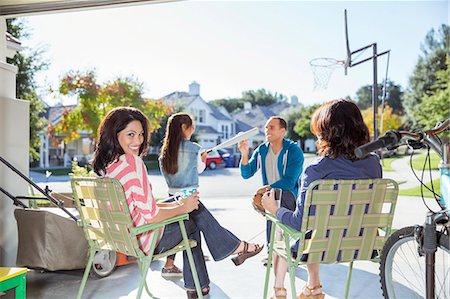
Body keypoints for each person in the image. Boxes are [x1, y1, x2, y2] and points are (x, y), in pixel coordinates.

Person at [92, 107, 263, 298]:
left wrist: (179, 205)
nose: (138, 141)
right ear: (114, 134)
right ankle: (225, 257)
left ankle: (203, 282)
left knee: (189, 209)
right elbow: (152, 216)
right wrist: (183, 207)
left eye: (140, 134)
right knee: (192, 220)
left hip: (121, 238)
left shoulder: (105, 167)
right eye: (130, 134)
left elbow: (141, 208)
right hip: (144, 240)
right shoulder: (132, 163)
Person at [261, 99, 382, 299]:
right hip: (363, 244)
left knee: (283, 229)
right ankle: (313, 287)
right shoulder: (373, 163)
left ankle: (279, 290)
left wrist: (274, 209)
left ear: (328, 133)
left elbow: (299, 223)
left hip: (320, 247)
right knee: (318, 225)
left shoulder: (316, 170)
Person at [238, 116, 304, 262]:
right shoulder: (262, 150)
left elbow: (289, 182)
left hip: (290, 196)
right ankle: (271, 252)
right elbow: (247, 173)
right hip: (271, 195)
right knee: (270, 202)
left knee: (276, 198)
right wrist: (244, 154)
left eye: (271, 127)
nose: (267, 130)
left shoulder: (294, 151)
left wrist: (266, 188)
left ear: (283, 131)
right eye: (266, 127)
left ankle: (291, 249)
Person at [158, 112, 208, 278]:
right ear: (184, 127)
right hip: (189, 197)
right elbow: (199, 170)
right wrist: (204, 160)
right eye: (191, 127)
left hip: (171, 196)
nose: (192, 131)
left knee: (177, 227)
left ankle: (169, 264)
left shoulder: (164, 152)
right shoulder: (194, 149)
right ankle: (196, 273)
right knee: (192, 231)